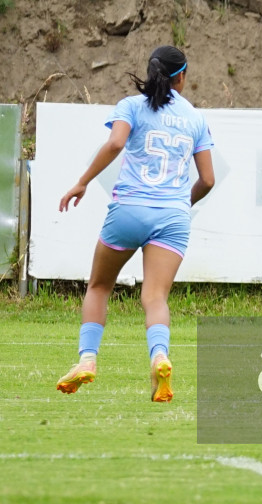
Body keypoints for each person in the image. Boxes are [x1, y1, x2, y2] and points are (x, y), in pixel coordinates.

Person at [56, 45, 215, 402]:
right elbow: (207, 180)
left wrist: (82, 181)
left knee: (99, 286)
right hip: (173, 217)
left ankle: (87, 360)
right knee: (155, 296)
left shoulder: (131, 105)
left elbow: (115, 143)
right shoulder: (196, 118)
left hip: (129, 210)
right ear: (182, 77)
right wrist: (177, 205)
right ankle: (160, 356)